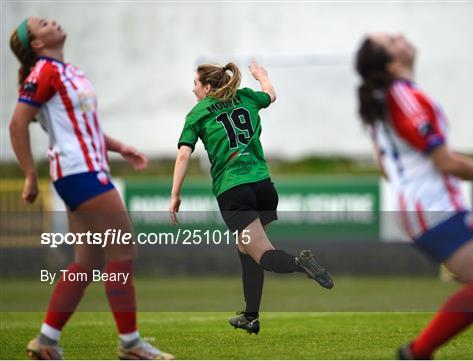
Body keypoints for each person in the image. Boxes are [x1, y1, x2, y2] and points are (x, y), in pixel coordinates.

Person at [9, 17, 173, 360]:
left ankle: (45, 342)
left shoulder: (68, 71)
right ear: (37, 44)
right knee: (123, 251)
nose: (51, 21)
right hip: (79, 172)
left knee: (88, 261)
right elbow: (17, 122)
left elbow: (83, 126)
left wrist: (120, 147)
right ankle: (131, 345)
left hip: (85, 171)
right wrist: (28, 174)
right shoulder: (45, 71)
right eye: (42, 24)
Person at [355, 33, 473, 360]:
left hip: (423, 207)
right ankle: (417, 353)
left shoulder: (387, 99)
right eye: (391, 40)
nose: (401, 37)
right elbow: (444, 160)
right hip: (433, 207)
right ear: (392, 61)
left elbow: (385, 165)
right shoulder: (402, 97)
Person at [169, 59, 334, 335]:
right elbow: (271, 94)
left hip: (234, 190)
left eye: (196, 84)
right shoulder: (245, 97)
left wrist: (175, 194)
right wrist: (262, 76)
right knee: (246, 249)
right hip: (263, 187)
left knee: (263, 253)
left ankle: (300, 264)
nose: (193, 90)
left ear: (208, 87)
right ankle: (251, 316)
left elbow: (184, 154)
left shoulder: (198, 113)